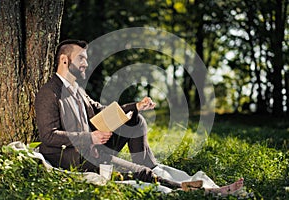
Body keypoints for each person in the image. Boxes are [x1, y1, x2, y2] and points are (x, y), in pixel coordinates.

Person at [35, 39, 244, 195]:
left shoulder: (77, 89)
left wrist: (135, 106)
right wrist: (90, 138)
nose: (85, 64)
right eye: (81, 58)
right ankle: (187, 188)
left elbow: (100, 111)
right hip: (70, 156)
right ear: (64, 60)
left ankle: (150, 166)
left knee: (135, 120)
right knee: (138, 171)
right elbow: (49, 136)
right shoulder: (49, 92)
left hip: (93, 146)